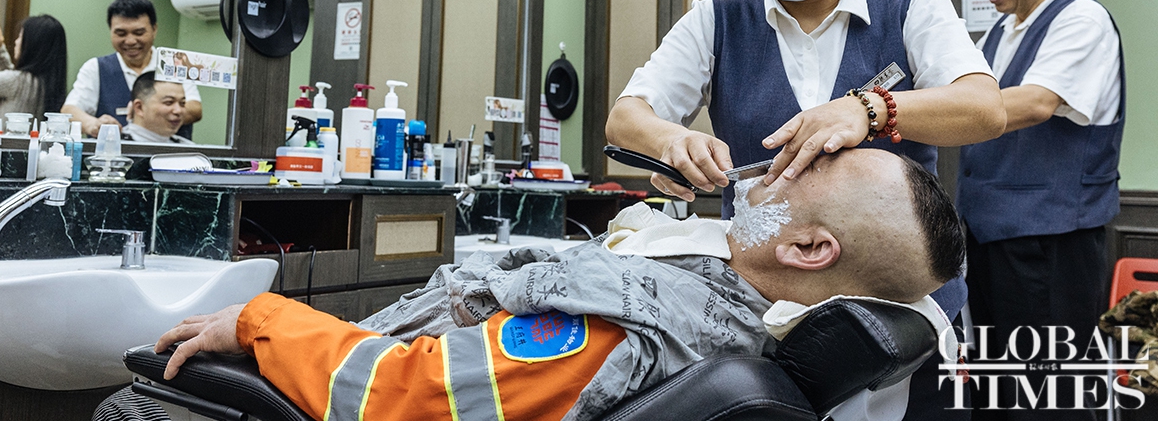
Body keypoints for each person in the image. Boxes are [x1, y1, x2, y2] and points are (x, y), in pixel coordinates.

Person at [604, 0, 1006, 419]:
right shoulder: (715, 22)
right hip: (766, 309)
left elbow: (983, 109)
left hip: (897, 312)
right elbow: (628, 116)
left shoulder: (914, 9)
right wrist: (669, 142)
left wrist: (871, 109)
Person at [150, 149, 963, 421]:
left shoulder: (630, 327)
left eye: (809, 167)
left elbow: (412, 396)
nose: (779, 160)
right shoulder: (727, 288)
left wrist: (262, 321)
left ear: (810, 248)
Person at [958, 0, 1123, 419]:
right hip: (990, 237)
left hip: (1050, 241)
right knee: (1002, 390)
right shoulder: (999, 31)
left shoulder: (1082, 19)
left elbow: (1035, 103)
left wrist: (897, 114)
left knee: (1051, 395)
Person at [61, 0, 201, 140]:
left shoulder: (174, 64)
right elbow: (69, 110)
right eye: (121, 34)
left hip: (171, 152)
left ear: (154, 30)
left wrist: (149, 111)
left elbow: (195, 108)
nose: (130, 41)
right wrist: (93, 124)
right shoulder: (95, 68)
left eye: (139, 33)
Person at [0, 16, 67, 131]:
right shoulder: (49, 83)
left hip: (1, 142)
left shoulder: (14, 81)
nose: (16, 42)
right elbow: (13, 83)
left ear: (31, 44)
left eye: (20, 37)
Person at [120, 72, 193, 145]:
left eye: (182, 103)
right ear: (139, 107)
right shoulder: (116, 145)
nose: (178, 110)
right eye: (169, 102)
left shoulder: (190, 149)